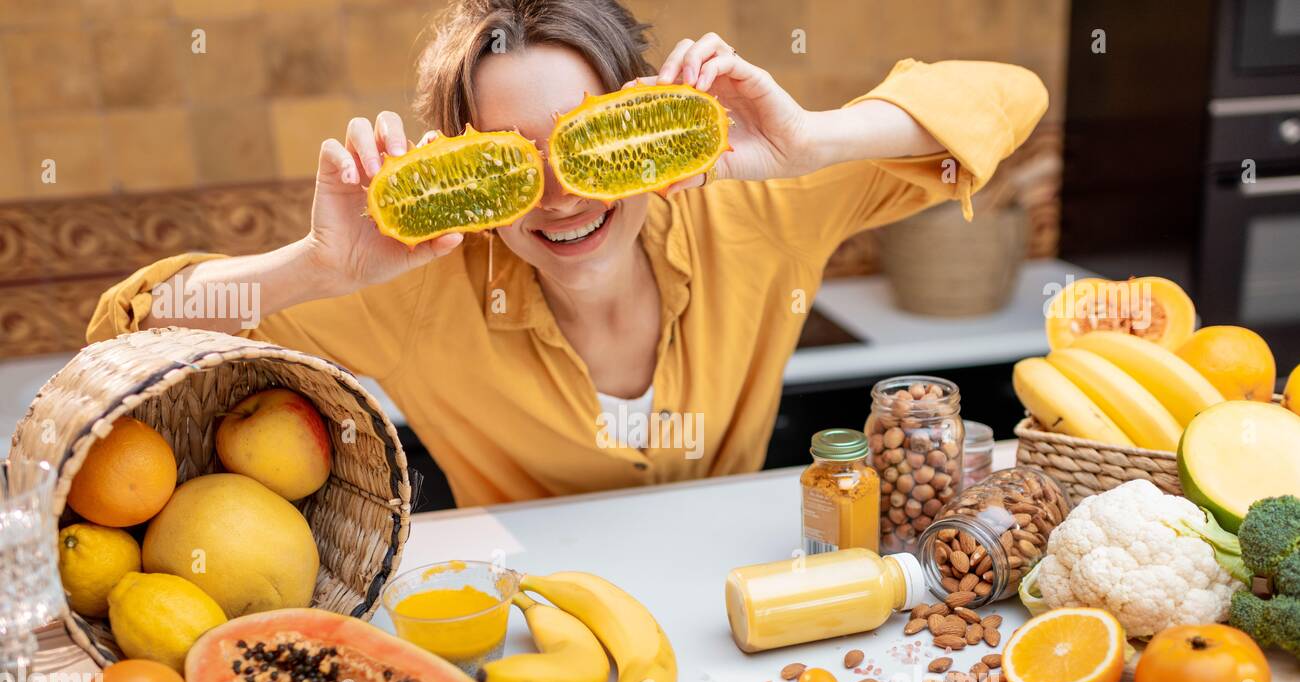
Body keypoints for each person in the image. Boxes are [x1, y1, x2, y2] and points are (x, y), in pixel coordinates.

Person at [88, 0, 1047, 507]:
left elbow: (1007, 96)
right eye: (513, 164)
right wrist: (316, 269)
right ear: (466, 170)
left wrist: (810, 143)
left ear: (648, 125)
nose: (562, 194)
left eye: (594, 143)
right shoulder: (415, 289)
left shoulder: (754, 211)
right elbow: (130, 330)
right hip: (526, 613)